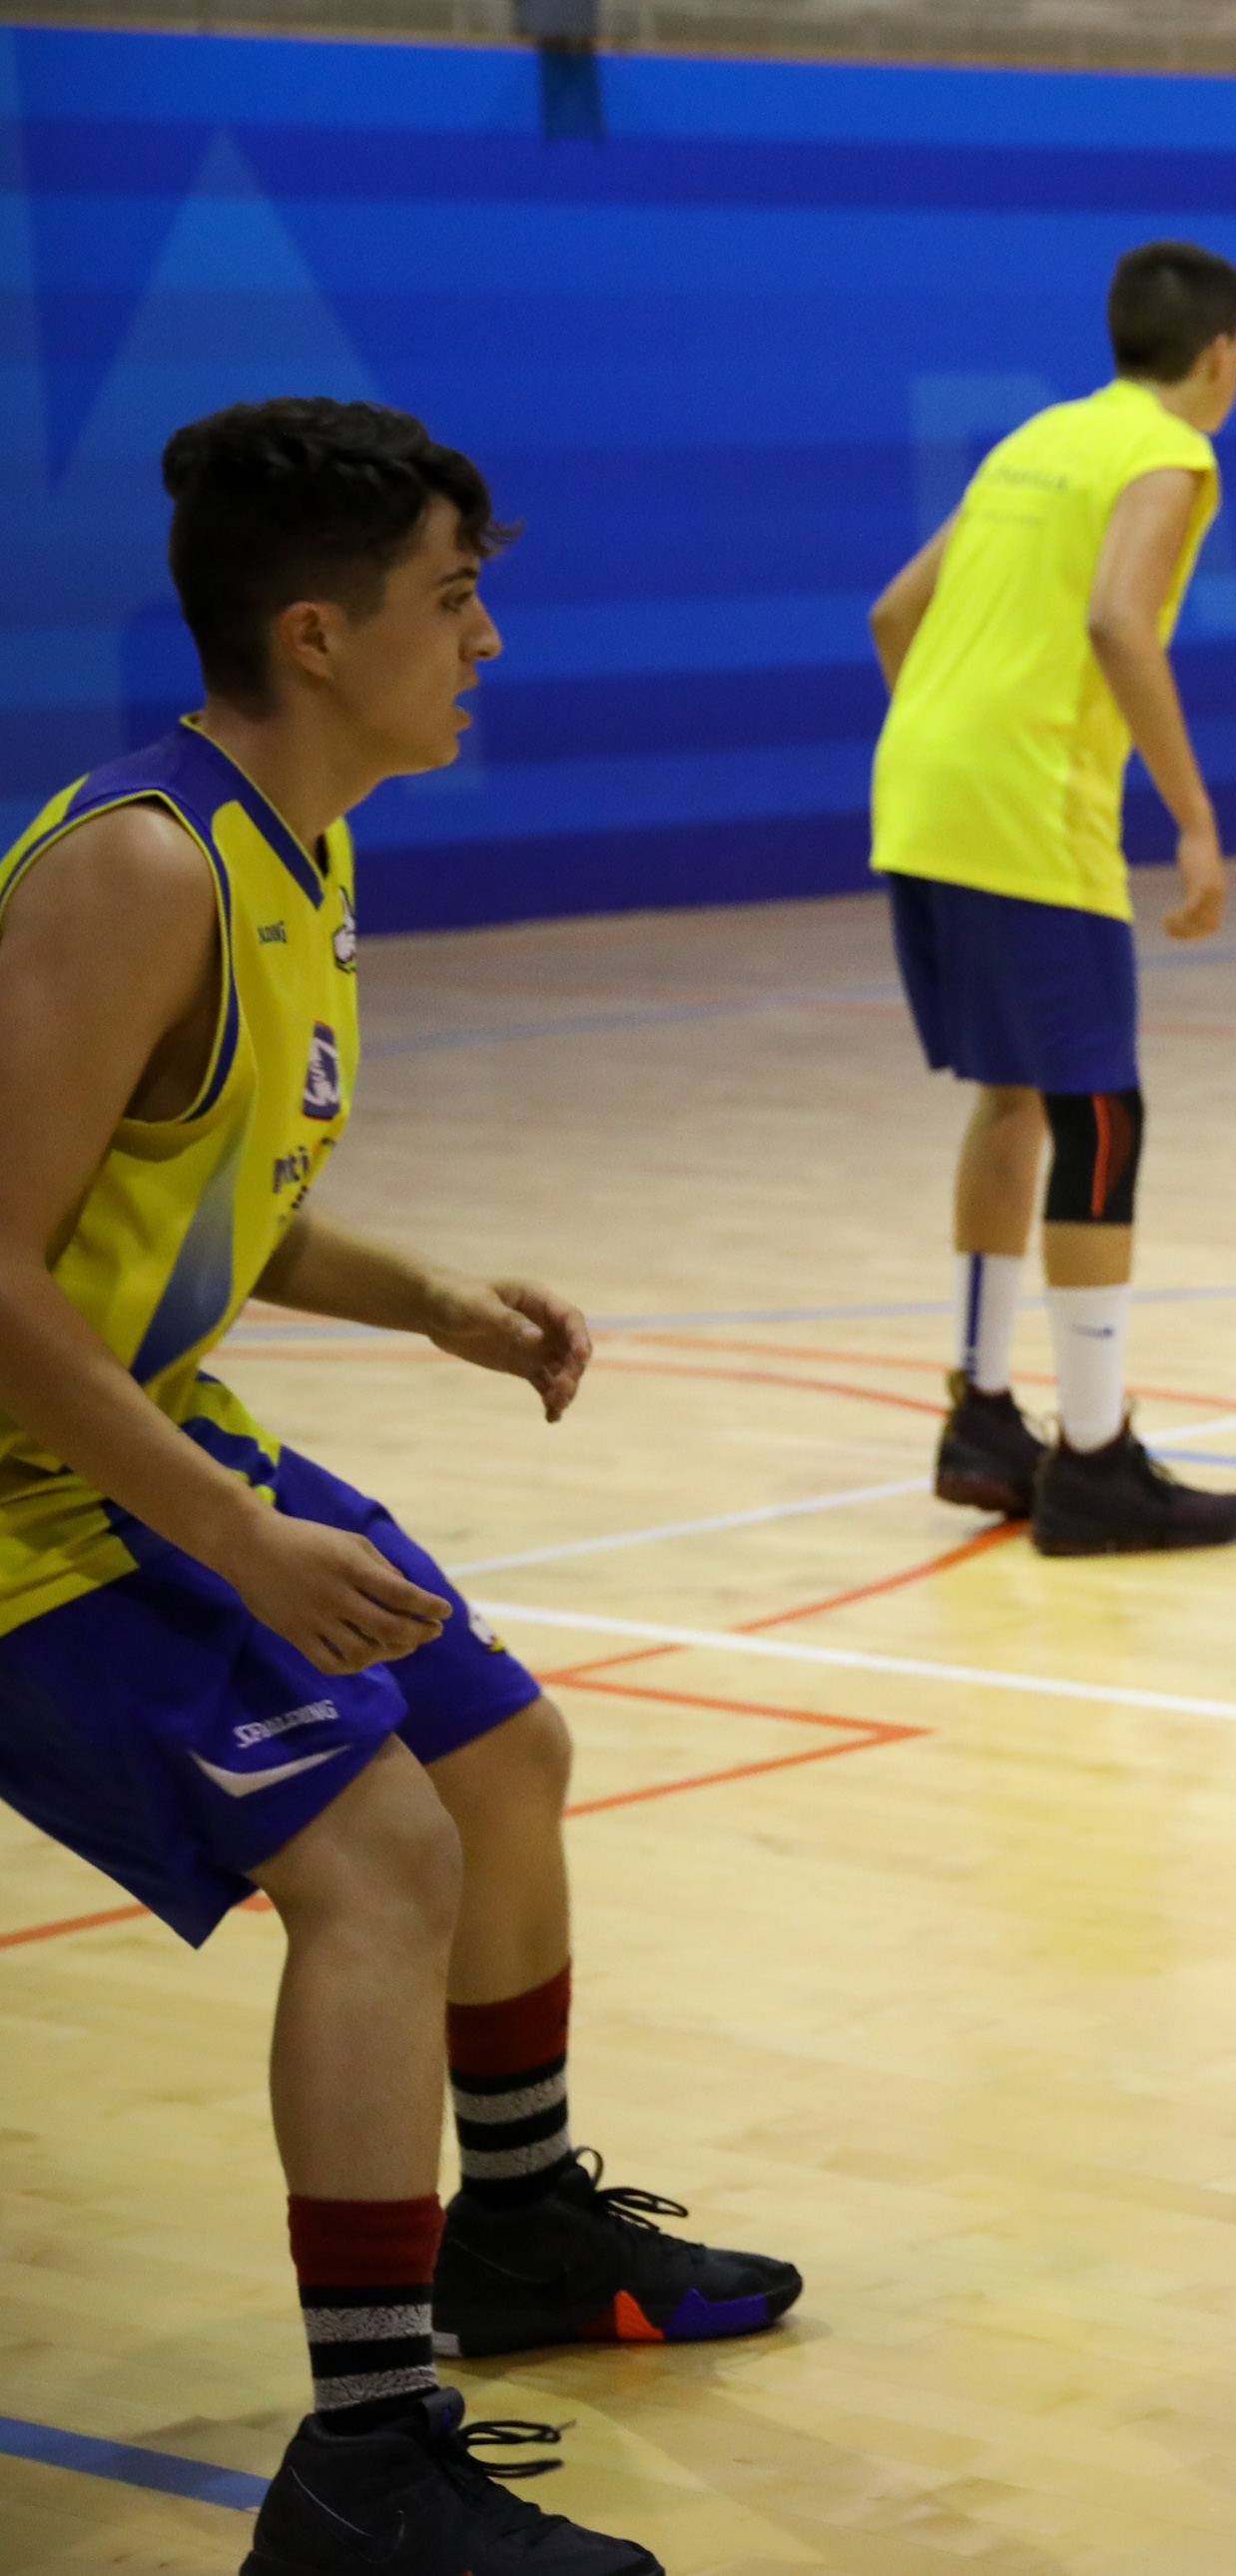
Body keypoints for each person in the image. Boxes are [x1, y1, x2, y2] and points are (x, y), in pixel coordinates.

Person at [0, 399, 801, 2576]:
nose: (489, 640)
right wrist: (230, 1534)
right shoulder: (143, 866)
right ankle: (366, 2466)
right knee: (376, 1863)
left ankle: (516, 2229)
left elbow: (188, 1201)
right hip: (26, 1492)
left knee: (500, 1756)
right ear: (317, 632)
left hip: (136, 1425)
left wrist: (425, 1295)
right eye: (455, 600)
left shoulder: (298, 842)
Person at [869, 238, 1236, 1556]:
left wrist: (953, 746)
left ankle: (984, 1418)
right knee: (1099, 1115)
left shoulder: (1034, 439)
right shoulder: (1168, 453)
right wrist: (1194, 819)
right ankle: (1093, 1459)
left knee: (1017, 1096)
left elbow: (893, 615)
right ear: (1220, 354)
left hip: (918, 790)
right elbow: (1116, 621)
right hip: (1025, 810)